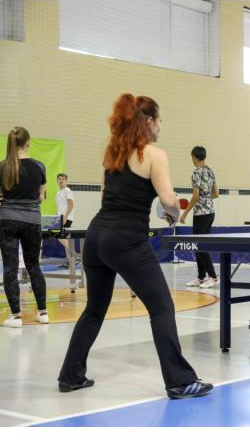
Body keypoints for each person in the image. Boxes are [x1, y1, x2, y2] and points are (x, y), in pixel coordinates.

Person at [57, 94, 213, 399]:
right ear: (149, 122)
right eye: (160, 120)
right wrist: (173, 211)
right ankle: (180, 381)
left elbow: (106, 193)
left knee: (94, 309)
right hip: (126, 239)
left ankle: (70, 376)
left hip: (96, 237)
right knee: (162, 306)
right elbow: (169, 200)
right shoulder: (154, 155)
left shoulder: (112, 154)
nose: (161, 126)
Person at [0, 127, 49, 327]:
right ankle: (43, 313)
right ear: (28, 142)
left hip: (8, 220)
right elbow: (41, 197)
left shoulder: (2, 166)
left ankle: (16, 316)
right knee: (34, 266)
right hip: (32, 221)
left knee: (10, 268)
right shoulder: (39, 166)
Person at [179, 146, 219, 288]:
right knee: (199, 245)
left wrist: (185, 213)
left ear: (194, 157)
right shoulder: (210, 171)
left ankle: (213, 277)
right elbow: (216, 194)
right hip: (210, 212)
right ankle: (201, 277)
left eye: (191, 157)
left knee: (199, 245)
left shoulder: (196, 173)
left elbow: (195, 196)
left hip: (201, 214)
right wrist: (206, 198)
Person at [55, 173, 78, 268]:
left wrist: (64, 218)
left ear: (66, 181)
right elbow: (60, 207)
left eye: (63, 179)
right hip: (60, 218)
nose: (61, 180)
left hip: (66, 218)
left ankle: (75, 256)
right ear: (57, 181)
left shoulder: (67, 190)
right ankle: (70, 260)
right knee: (63, 238)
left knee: (58, 235)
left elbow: (71, 205)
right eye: (59, 179)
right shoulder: (58, 193)